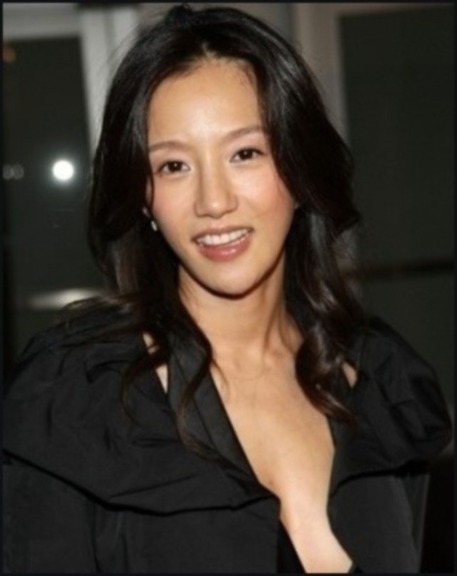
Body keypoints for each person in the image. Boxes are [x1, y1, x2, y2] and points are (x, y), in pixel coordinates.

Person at [3, 4, 452, 574]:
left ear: (298, 168)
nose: (213, 202)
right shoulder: (76, 403)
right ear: (144, 198)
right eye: (173, 166)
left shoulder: (380, 383)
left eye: (245, 153)